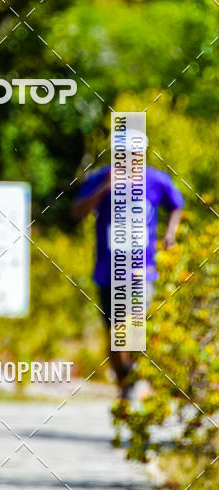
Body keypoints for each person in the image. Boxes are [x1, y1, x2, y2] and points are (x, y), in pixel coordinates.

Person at [72, 132, 183, 399]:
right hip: (107, 271)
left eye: (134, 155)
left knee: (131, 326)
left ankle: (139, 379)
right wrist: (103, 189)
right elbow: (76, 212)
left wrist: (171, 233)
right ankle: (126, 386)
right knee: (113, 335)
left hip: (141, 271)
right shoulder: (101, 177)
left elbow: (177, 204)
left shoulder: (156, 180)